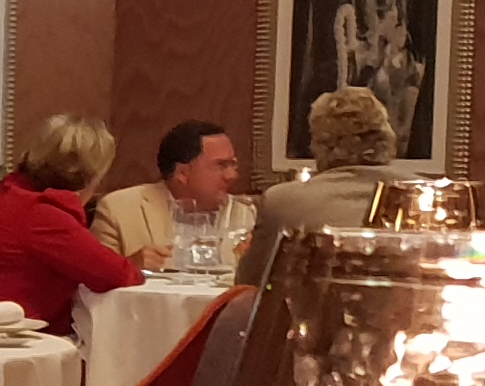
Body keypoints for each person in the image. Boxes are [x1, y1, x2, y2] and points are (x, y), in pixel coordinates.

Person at [0, 114, 142, 330]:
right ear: (92, 177)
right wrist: (136, 264)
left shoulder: (13, 197)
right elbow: (116, 275)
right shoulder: (44, 215)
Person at [251, 88, 410, 279]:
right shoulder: (420, 196)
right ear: (387, 137)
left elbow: (252, 279)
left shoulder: (281, 201)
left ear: (318, 144)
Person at [93, 119, 247, 270]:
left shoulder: (244, 215)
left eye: (233, 164)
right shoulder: (120, 209)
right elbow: (95, 278)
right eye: (221, 165)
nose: (232, 175)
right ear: (182, 173)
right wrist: (130, 266)